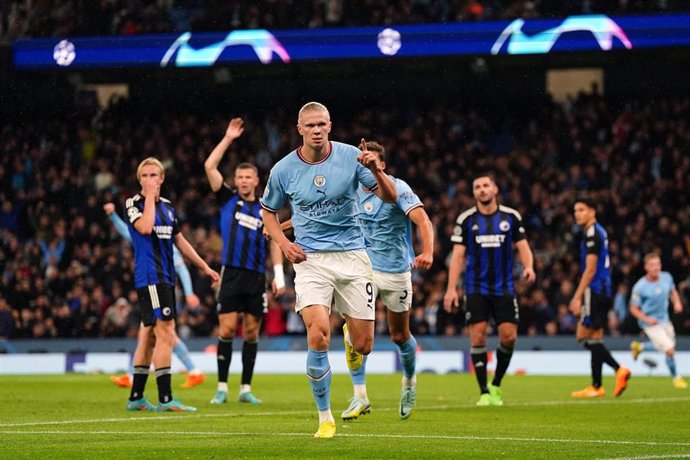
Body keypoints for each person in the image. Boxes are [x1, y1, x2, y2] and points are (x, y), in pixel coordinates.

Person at [260, 102, 397, 439]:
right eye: (310, 125)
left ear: (330, 126)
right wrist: (283, 242)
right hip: (311, 260)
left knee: (364, 345)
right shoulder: (283, 169)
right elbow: (268, 213)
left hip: (352, 255)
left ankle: (351, 337)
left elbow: (391, 198)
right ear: (300, 129)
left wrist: (376, 169)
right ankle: (325, 418)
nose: (317, 129)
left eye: (322, 124)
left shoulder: (353, 156)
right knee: (318, 332)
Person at [341, 141, 434, 421]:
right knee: (356, 335)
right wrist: (281, 229)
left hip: (395, 271)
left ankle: (409, 381)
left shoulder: (398, 188)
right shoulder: (351, 189)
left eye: (372, 162)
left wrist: (427, 251)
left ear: (382, 165)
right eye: (362, 162)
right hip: (362, 270)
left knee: (399, 335)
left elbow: (423, 220)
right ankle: (360, 396)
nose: (367, 167)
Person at [124, 157, 219, 412]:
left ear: (162, 178)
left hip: (166, 279)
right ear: (139, 179)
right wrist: (151, 201)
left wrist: (204, 267)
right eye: (144, 176)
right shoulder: (134, 204)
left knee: (148, 337)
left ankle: (136, 397)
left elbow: (181, 242)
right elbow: (144, 228)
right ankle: (165, 398)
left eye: (154, 175)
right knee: (166, 332)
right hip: (150, 278)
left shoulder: (167, 207)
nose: (149, 180)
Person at [204, 117, 286, 406]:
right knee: (226, 330)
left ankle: (245, 388)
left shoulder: (266, 209)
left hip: (255, 277)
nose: (242, 181)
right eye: (239, 177)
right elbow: (209, 167)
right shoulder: (227, 200)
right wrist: (228, 138)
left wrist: (278, 275)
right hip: (231, 273)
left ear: (255, 180)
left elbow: (276, 240)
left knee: (251, 332)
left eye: (247, 177)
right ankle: (223, 387)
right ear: (235, 181)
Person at [443, 172, 535, 406]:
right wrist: (451, 288)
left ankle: (497, 384)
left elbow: (523, 246)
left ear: (495, 189)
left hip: (504, 288)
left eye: (486, 185)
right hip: (475, 288)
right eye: (477, 187)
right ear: (474, 192)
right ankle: (484, 391)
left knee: (509, 337)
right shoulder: (466, 220)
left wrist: (529, 267)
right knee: (478, 336)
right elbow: (458, 256)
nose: (482, 190)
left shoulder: (511, 217)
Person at [103, 202, 206, 389]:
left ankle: (135, 377)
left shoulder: (164, 241)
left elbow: (181, 267)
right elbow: (127, 232)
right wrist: (113, 217)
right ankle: (193, 371)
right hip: (153, 286)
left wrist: (190, 293)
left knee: (155, 332)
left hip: (162, 287)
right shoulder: (146, 237)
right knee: (156, 332)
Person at [568, 198, 631, 398]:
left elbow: (591, 268)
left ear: (592, 211)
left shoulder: (592, 233)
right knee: (595, 338)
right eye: (575, 210)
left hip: (594, 290)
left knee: (582, 336)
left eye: (581, 209)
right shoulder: (599, 232)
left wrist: (577, 296)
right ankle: (597, 386)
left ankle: (618, 369)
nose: (577, 214)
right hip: (603, 289)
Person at [629, 253, 687, 389]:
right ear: (646, 267)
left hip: (664, 320)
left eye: (658, 264)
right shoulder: (640, 287)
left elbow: (672, 291)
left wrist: (677, 302)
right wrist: (646, 319)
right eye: (653, 265)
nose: (656, 268)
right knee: (670, 350)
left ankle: (640, 347)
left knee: (665, 346)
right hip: (650, 323)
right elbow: (633, 308)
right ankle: (676, 378)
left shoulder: (666, 277)